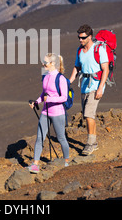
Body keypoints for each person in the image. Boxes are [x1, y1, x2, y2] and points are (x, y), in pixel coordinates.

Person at [69, 24, 109, 156]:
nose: (80, 40)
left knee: (88, 114)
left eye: (83, 38)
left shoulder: (99, 49)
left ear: (90, 36)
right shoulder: (80, 50)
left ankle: (90, 143)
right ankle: (94, 142)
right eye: (79, 37)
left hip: (95, 85)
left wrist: (100, 88)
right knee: (88, 114)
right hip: (85, 86)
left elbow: (105, 69)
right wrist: (68, 81)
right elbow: (77, 67)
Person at [28, 53, 70, 173]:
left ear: (53, 63)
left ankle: (67, 162)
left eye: (45, 62)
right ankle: (35, 164)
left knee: (61, 138)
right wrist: (36, 102)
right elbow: (43, 94)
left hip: (58, 113)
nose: (43, 64)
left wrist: (49, 99)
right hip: (45, 112)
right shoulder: (45, 77)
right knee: (40, 138)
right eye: (43, 61)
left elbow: (64, 98)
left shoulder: (60, 78)